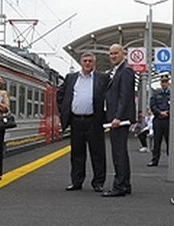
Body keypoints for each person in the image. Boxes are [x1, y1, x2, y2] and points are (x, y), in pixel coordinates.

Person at [57, 52, 108, 192]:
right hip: (76, 120)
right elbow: (60, 94)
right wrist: (64, 110)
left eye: (90, 61)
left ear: (94, 63)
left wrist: (106, 116)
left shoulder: (102, 78)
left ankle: (98, 182)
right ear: (81, 62)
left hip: (94, 121)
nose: (87, 63)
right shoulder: (71, 78)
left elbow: (109, 96)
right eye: (85, 61)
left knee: (97, 153)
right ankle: (76, 181)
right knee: (77, 153)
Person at [102, 44, 136, 197]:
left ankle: (119, 186)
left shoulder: (126, 71)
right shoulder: (117, 71)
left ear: (123, 53)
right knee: (120, 151)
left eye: (116, 53)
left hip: (119, 120)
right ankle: (125, 184)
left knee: (119, 153)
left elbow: (125, 96)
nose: (113, 56)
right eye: (111, 54)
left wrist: (118, 116)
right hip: (116, 118)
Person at [147, 73, 171, 167]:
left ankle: (171, 160)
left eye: (166, 81)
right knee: (157, 141)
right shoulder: (156, 94)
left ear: (168, 82)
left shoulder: (172, 94)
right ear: (160, 83)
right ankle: (154, 160)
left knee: (169, 141)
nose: (164, 83)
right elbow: (152, 106)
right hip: (158, 119)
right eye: (163, 82)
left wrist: (167, 113)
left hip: (168, 120)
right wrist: (160, 113)